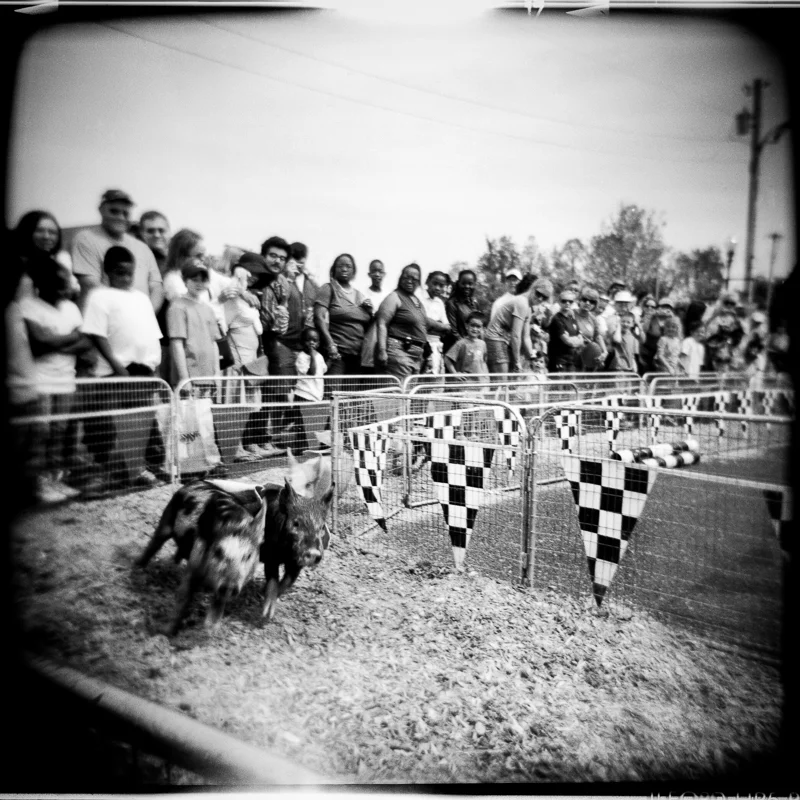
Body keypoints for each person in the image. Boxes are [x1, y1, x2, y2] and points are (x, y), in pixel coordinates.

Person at [81, 246, 165, 490]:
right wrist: (116, 365)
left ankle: (142, 468)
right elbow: (97, 334)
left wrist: (154, 367)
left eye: (130, 273)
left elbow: (152, 334)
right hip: (114, 371)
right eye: (120, 273)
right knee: (104, 424)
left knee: (141, 422)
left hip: (143, 370)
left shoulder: (141, 298)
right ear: (107, 271)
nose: (126, 278)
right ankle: (104, 472)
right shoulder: (99, 296)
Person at [19, 259, 92, 503]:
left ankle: (55, 480)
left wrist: (54, 341)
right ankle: (37, 484)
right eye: (59, 285)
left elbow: (86, 343)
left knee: (59, 432)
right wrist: (70, 337)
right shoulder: (27, 306)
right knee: (41, 433)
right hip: (40, 381)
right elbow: (37, 344)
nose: (64, 290)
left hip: (66, 380)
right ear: (44, 284)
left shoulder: (71, 307)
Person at [71, 189, 164, 314]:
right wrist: (127, 314)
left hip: (140, 319)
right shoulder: (86, 239)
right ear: (101, 210)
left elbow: (156, 287)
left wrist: (147, 315)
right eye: (114, 211)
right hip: (105, 318)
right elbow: (90, 285)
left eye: (125, 213)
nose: (120, 217)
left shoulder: (142, 247)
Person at [314, 253, 373, 384]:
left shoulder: (360, 295)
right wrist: (330, 344)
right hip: (336, 354)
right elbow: (319, 317)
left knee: (350, 394)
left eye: (348, 266)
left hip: (356, 355)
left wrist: (369, 312)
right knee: (332, 392)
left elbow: (368, 325)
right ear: (334, 269)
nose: (344, 269)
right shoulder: (328, 288)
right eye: (340, 266)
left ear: (354, 271)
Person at [375, 263, 428, 381]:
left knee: (409, 390)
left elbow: (423, 321)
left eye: (414, 279)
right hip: (400, 351)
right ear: (400, 278)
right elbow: (382, 324)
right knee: (400, 389)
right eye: (406, 277)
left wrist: (444, 326)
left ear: (419, 282)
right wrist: (382, 350)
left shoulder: (416, 300)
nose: (409, 281)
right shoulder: (394, 297)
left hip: (416, 356)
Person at [13, 210, 80, 300]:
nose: (46, 236)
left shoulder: (58, 264)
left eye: (52, 232)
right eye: (39, 230)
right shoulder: (17, 265)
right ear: (26, 231)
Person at [283, 327, 328, 453]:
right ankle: (300, 447)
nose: (311, 343)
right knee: (301, 424)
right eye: (308, 340)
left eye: (315, 340)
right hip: (303, 395)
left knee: (312, 422)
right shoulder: (302, 357)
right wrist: (312, 355)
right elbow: (312, 372)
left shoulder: (319, 356)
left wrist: (332, 358)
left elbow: (323, 370)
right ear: (303, 342)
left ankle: (314, 445)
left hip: (315, 395)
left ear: (319, 343)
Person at [484, 278, 538, 376]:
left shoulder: (528, 308)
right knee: (503, 378)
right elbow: (516, 336)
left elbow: (526, 337)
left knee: (512, 375)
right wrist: (517, 361)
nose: (540, 299)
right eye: (538, 294)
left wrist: (532, 357)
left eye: (544, 297)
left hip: (506, 341)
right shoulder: (521, 302)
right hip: (496, 338)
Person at [418, 271, 452, 375]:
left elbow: (448, 327)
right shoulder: (419, 298)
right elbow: (422, 322)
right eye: (435, 284)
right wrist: (438, 325)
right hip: (421, 342)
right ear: (427, 282)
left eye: (441, 286)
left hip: (436, 345)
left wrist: (432, 324)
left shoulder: (439, 302)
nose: (437, 288)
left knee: (435, 375)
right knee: (421, 375)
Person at [444, 311, 489, 380]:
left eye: (478, 326)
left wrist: (486, 377)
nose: (475, 329)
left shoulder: (483, 344)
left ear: (483, 329)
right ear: (466, 326)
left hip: (481, 382)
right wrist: (455, 374)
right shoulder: (461, 343)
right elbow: (447, 359)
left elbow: (483, 362)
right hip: (466, 382)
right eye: (472, 325)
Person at [444, 269, 480, 352]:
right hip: (456, 348)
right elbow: (453, 331)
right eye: (463, 283)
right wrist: (466, 346)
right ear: (458, 283)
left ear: (474, 285)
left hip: (472, 347)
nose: (467, 286)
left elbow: (478, 326)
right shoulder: (452, 304)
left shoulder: (475, 303)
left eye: (470, 284)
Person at [548, 290, 584, 372]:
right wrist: (575, 339)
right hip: (558, 359)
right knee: (558, 381)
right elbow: (567, 341)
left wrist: (573, 339)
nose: (567, 303)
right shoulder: (556, 319)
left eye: (570, 301)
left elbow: (581, 339)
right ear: (559, 302)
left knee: (571, 380)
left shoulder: (572, 317)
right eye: (564, 301)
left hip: (571, 359)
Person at [573, 287, 607, 371]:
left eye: (592, 301)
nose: (587, 303)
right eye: (584, 300)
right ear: (579, 300)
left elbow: (597, 336)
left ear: (595, 305)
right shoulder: (571, 314)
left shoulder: (593, 319)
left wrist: (605, 352)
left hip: (587, 358)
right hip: (572, 357)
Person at [137, 211, 171, 276]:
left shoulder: (180, 258)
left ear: (169, 231)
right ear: (141, 233)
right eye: (150, 231)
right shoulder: (138, 262)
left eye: (161, 230)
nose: (157, 235)